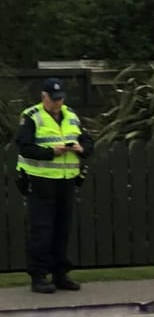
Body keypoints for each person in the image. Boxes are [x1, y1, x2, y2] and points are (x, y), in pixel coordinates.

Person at [14, 78, 94, 294]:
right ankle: (39, 276)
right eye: (53, 99)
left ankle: (60, 274)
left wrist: (80, 147)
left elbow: (88, 143)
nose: (57, 103)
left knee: (62, 228)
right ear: (44, 96)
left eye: (60, 99)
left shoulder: (71, 115)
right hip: (40, 180)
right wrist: (51, 152)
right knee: (41, 230)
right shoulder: (31, 116)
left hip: (67, 180)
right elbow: (24, 147)